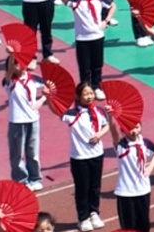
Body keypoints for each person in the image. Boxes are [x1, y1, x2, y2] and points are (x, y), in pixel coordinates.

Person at [60, 82, 114, 231]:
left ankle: (94, 213)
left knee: (95, 187)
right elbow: (56, 111)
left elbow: (108, 124)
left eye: (91, 93)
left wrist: (100, 135)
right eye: (85, 94)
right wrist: (48, 97)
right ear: (78, 96)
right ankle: (82, 218)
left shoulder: (99, 111)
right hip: (79, 157)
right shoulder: (71, 114)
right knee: (82, 188)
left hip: (97, 154)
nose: (89, 96)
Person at [4, 53, 50, 188]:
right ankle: (21, 180)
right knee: (17, 154)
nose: (19, 66)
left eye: (21, 62)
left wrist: (43, 98)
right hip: (17, 122)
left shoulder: (34, 80)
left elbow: (48, 90)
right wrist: (12, 54)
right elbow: (11, 70)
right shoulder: (9, 81)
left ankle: (35, 178)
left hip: (33, 120)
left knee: (33, 152)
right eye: (15, 64)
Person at [111, 119, 154, 232]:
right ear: (123, 129)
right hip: (126, 193)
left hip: (143, 190)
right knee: (129, 227)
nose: (134, 131)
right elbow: (113, 131)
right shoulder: (121, 146)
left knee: (144, 226)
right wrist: (110, 116)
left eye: (137, 127)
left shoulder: (145, 143)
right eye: (130, 128)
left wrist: (150, 167)